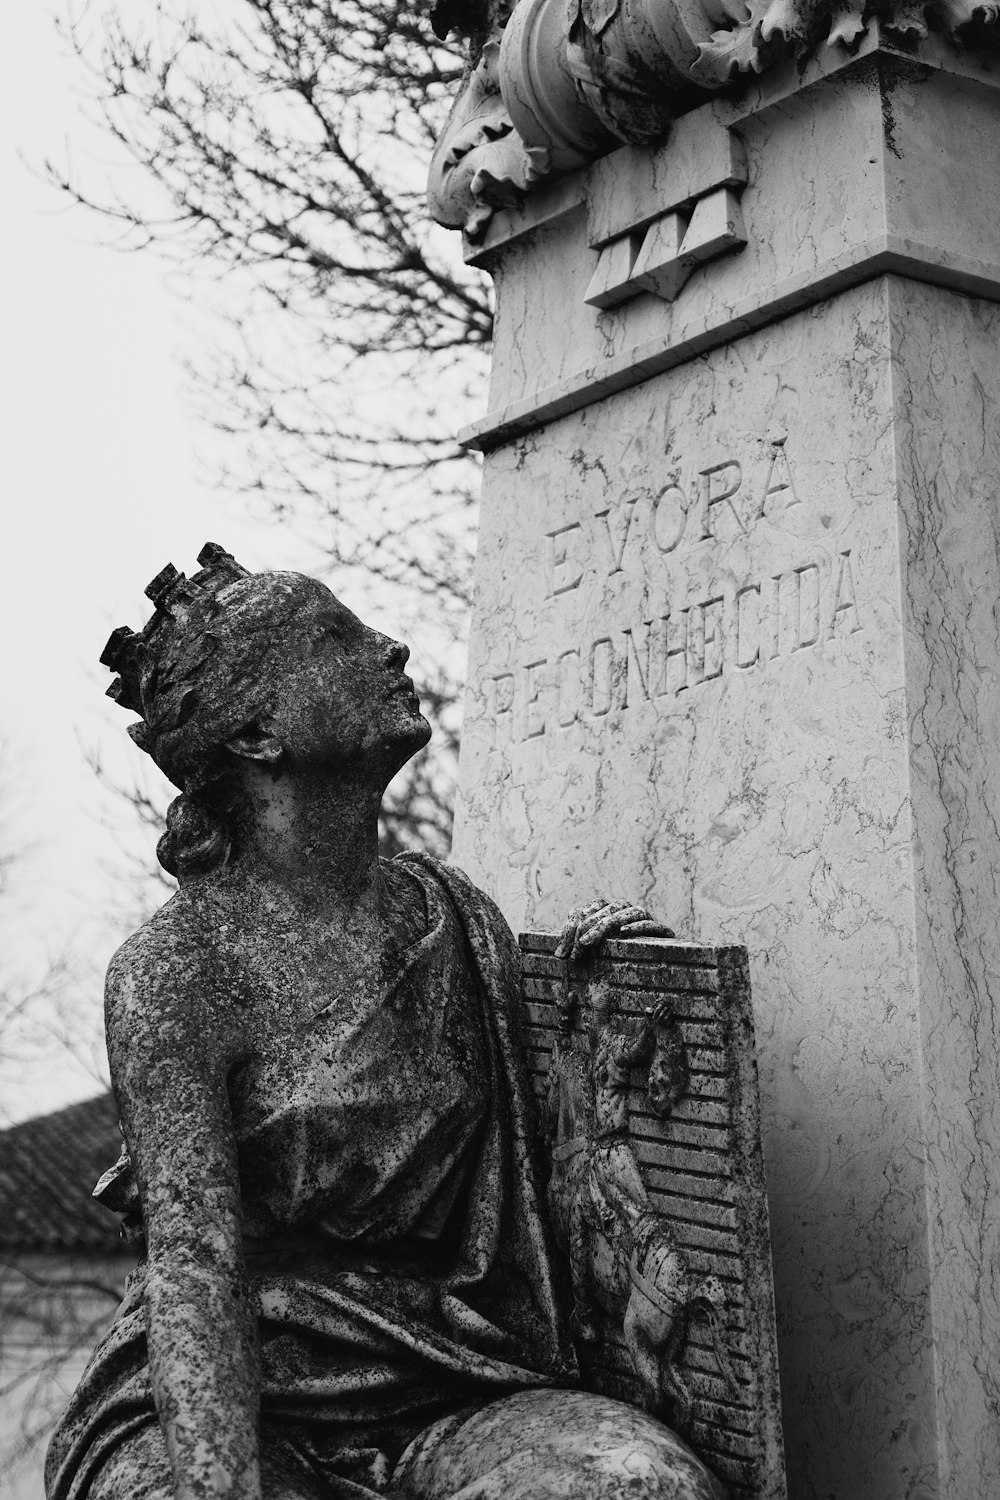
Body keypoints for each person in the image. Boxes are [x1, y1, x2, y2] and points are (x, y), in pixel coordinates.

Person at [45, 545, 724, 1500]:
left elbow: (557, 1166)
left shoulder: (455, 918)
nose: (390, 647)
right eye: (337, 636)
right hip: (235, 1398)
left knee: (646, 1484)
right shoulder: (176, 975)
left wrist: (610, 989)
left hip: (452, 1373)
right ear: (256, 736)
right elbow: (197, 1281)